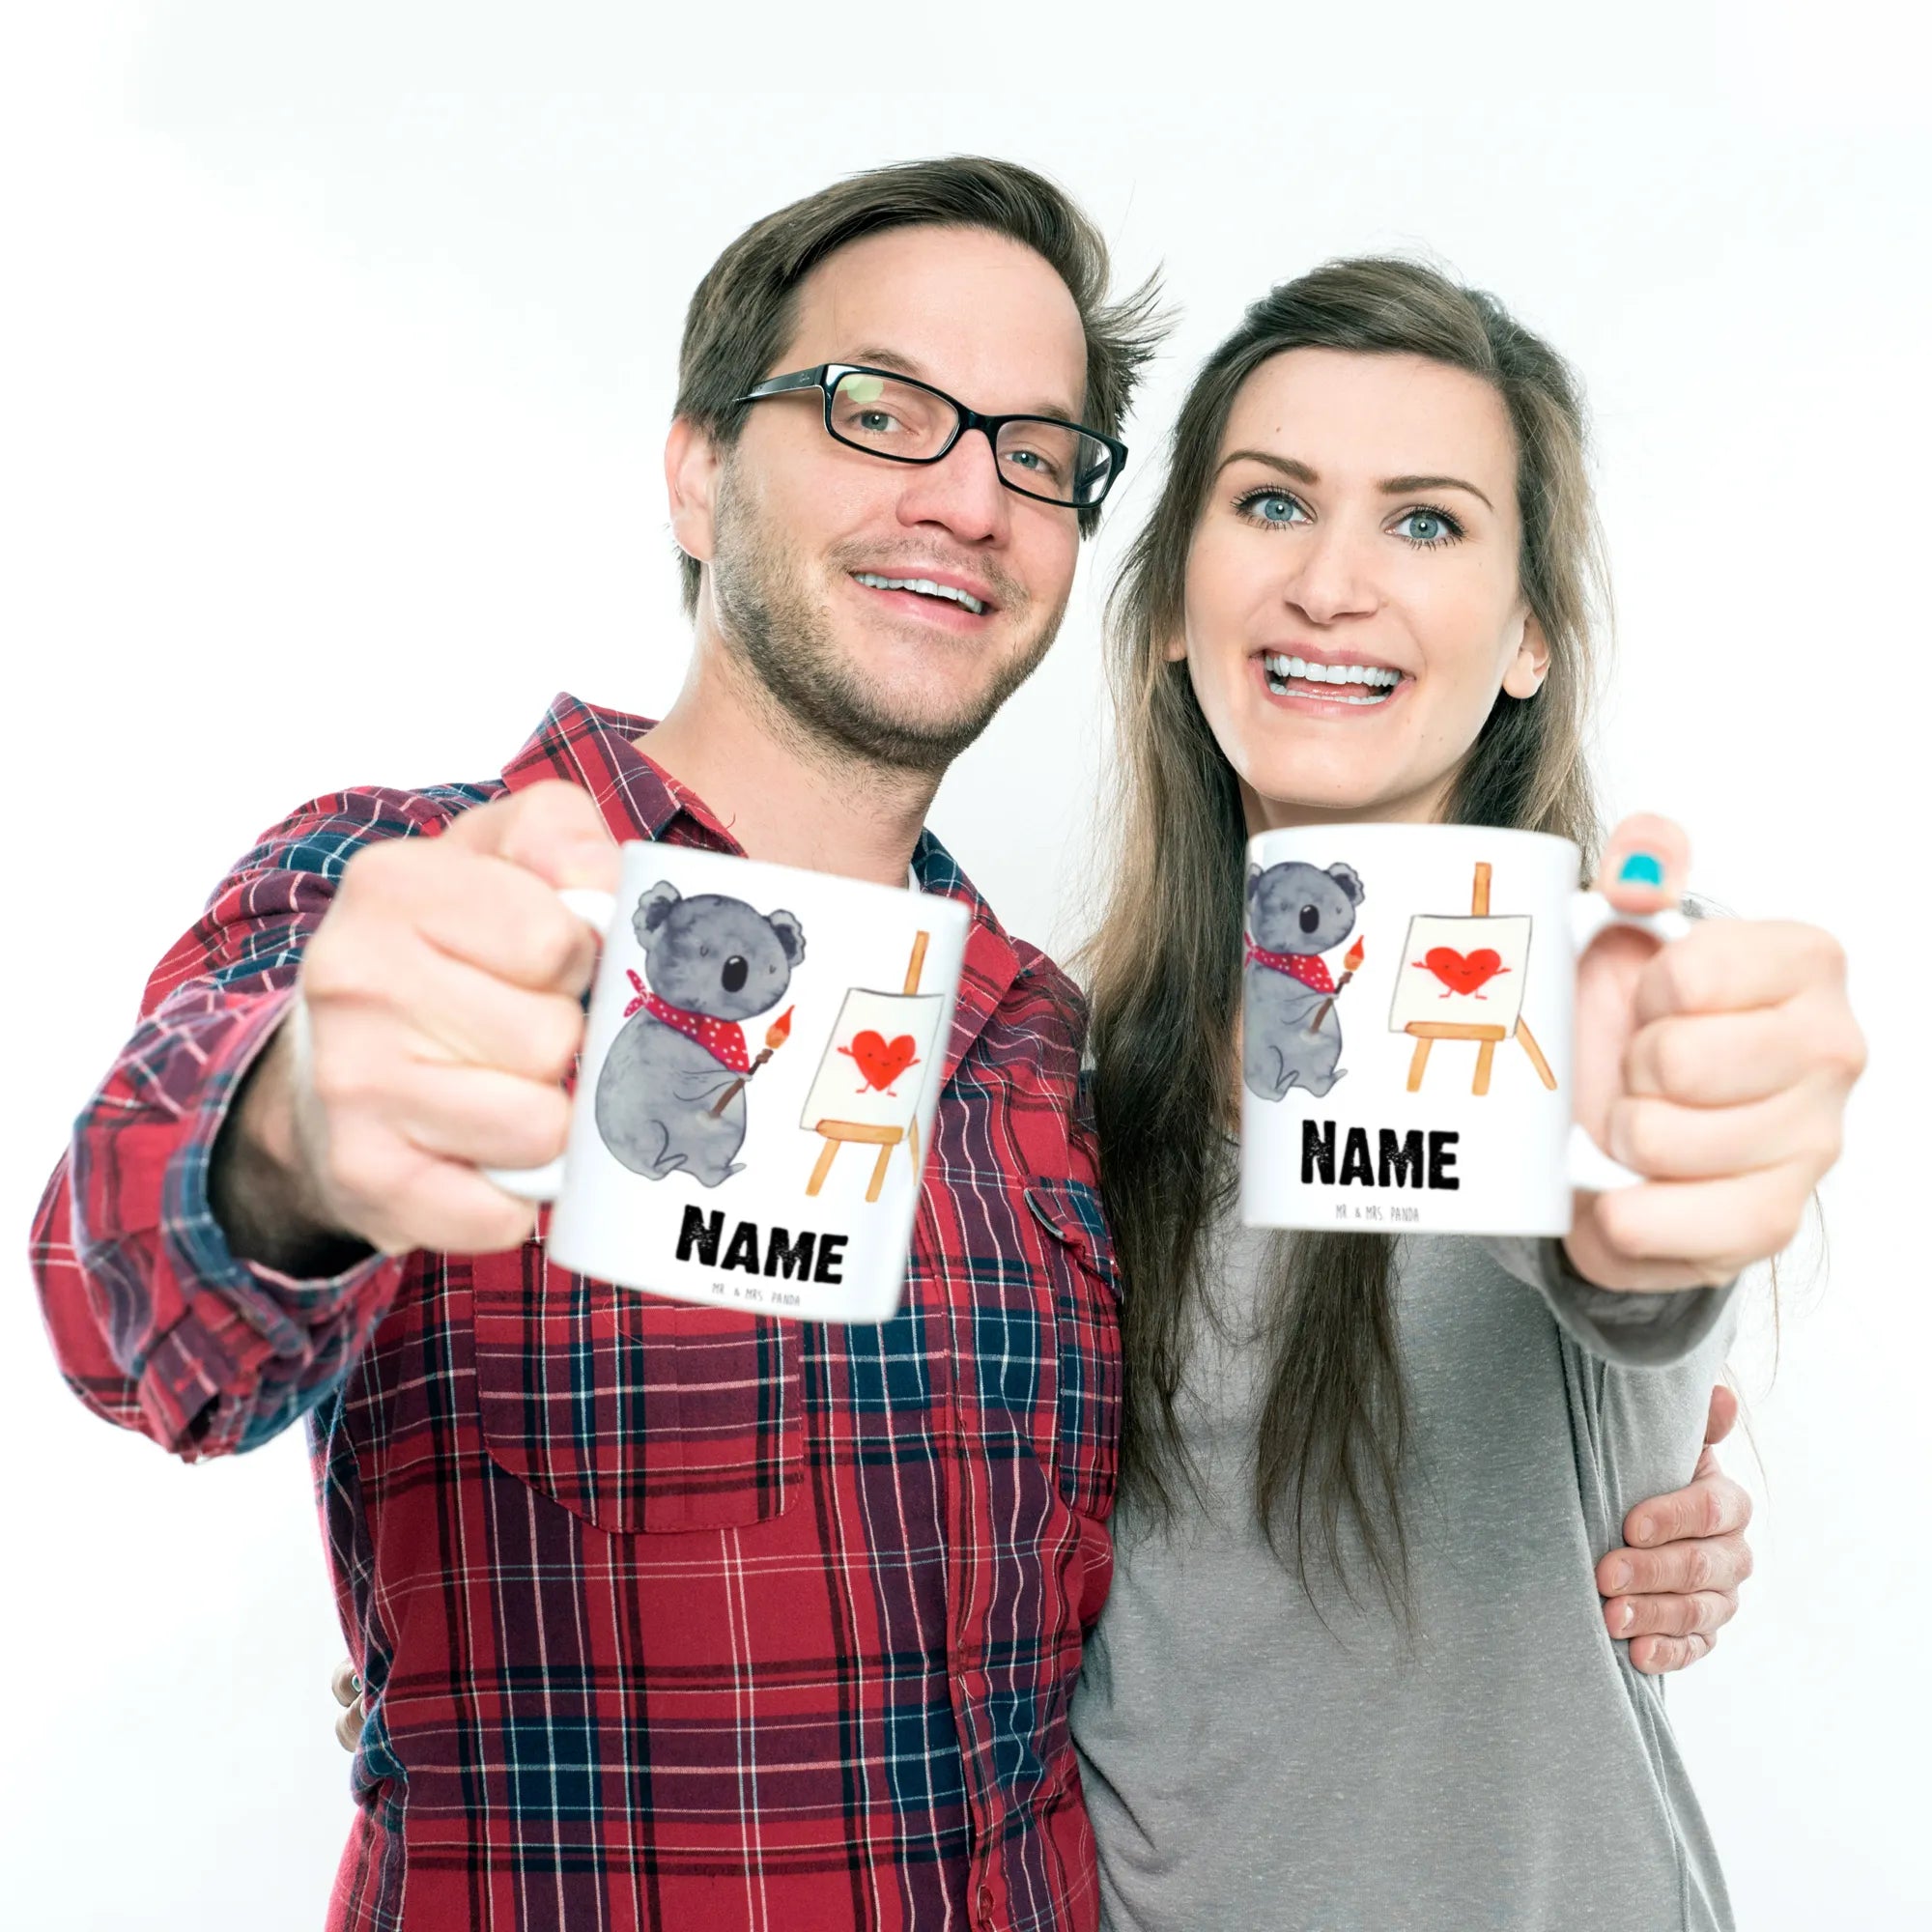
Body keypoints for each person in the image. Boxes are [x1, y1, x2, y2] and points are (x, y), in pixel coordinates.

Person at [36, 158, 1757, 1932]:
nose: (966, 496)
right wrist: (296, 1140)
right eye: (880, 409)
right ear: (699, 468)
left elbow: (1562, 1283)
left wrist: (1646, 1415)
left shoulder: (1043, 1055)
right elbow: (122, 1291)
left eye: (1034, 451)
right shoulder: (419, 893)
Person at [1071, 258, 1865, 1930]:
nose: (1332, 583)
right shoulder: (1063, 1077)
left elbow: (1626, 1254)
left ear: (1527, 639)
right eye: (1272, 503)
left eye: (1426, 522)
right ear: (1170, 606)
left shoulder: (1598, 996)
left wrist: (1663, 1185)